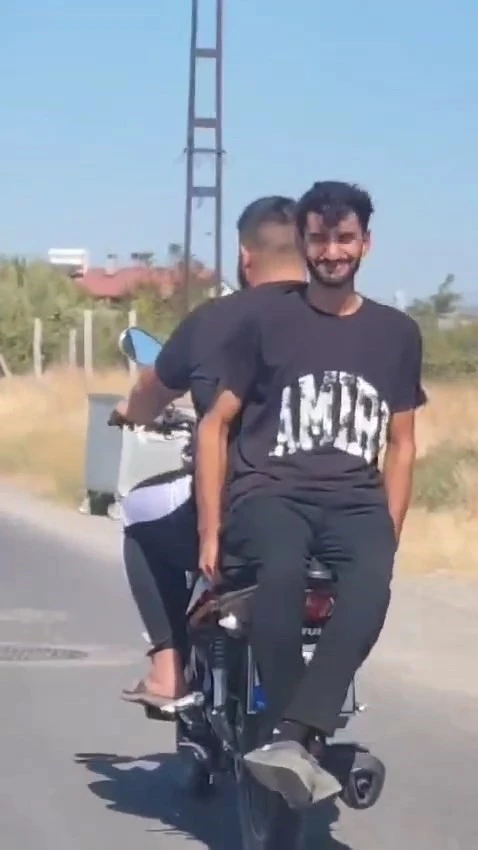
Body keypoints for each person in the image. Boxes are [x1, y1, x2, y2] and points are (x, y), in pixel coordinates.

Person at [195, 180, 426, 808]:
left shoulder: (397, 333)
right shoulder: (266, 320)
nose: (331, 251)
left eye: (344, 238)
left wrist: (388, 530)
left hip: (356, 500)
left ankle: (297, 737)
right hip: (271, 492)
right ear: (302, 242)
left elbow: (402, 443)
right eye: (319, 238)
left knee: (370, 591)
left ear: (365, 243)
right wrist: (211, 529)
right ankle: (295, 734)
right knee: (280, 573)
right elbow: (216, 424)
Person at [115, 195, 307, 709]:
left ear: (246, 255)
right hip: (332, 512)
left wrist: (130, 411)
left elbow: (151, 392)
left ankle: (168, 671)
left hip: (238, 510)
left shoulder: (215, 320)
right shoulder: (344, 318)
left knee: (137, 514)